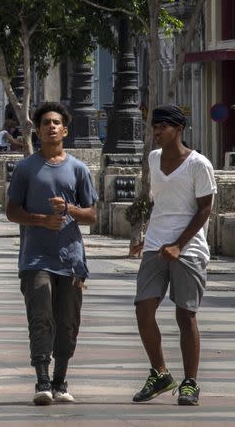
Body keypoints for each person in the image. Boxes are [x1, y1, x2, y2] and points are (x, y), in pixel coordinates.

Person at [6, 101, 98, 405]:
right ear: (38, 129)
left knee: (67, 321)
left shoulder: (78, 169)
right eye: (45, 122)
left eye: (56, 122)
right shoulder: (25, 168)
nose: (51, 126)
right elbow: (11, 211)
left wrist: (69, 209)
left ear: (65, 130)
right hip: (35, 258)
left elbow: (92, 215)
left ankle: (61, 381)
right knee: (41, 315)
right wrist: (42, 220)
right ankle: (42, 380)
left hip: (71, 260)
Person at [132, 104, 216, 406]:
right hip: (156, 244)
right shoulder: (154, 159)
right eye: (154, 126)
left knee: (185, 315)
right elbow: (160, 202)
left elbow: (205, 209)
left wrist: (179, 244)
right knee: (143, 309)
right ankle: (160, 373)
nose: (157, 131)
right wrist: (144, 237)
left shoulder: (198, 164)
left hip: (189, 249)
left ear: (178, 129)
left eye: (163, 126)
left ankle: (190, 383)